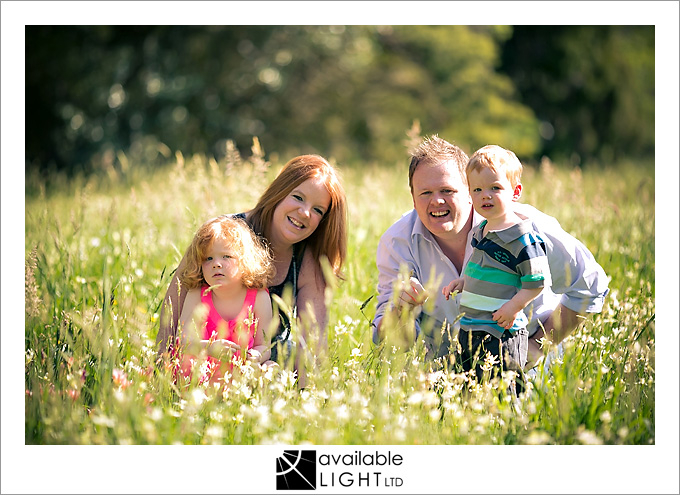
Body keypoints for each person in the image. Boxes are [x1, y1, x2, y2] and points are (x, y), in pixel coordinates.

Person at [373, 135, 609, 369]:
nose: (436, 201)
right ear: (413, 199)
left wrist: (535, 349)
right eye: (425, 193)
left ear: (469, 193)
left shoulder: (524, 227)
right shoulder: (397, 243)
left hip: (526, 373)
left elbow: (589, 283)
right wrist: (401, 311)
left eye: (447, 190)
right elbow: (392, 343)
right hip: (450, 380)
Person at [157, 154, 347, 379]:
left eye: (318, 210)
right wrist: (162, 375)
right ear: (279, 192)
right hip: (202, 364)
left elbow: (311, 348)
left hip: (262, 374)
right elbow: (173, 311)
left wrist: (304, 398)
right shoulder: (220, 236)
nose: (305, 212)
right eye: (298, 197)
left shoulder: (309, 262)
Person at [441, 145, 551, 380]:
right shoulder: (482, 230)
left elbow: (537, 282)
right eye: (477, 189)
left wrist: (513, 307)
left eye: (495, 188)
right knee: (469, 385)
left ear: (515, 191)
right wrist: (463, 282)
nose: (485, 195)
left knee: (502, 387)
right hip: (471, 326)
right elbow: (483, 268)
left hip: (502, 330)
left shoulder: (523, 237)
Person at [177, 215, 274, 385]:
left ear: (245, 260)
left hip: (240, 372)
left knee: (271, 368)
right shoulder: (197, 295)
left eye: (226, 256)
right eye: (208, 258)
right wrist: (208, 347)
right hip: (203, 373)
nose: (216, 264)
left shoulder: (259, 297)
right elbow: (183, 342)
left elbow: (264, 345)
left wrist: (255, 356)